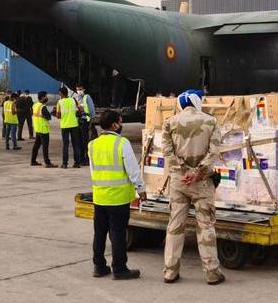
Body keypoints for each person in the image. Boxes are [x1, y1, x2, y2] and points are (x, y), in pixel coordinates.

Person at [161, 89, 224, 285]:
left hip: (179, 182)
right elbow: (214, 151)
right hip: (202, 182)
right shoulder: (211, 121)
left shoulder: (169, 122)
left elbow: (167, 152)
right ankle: (212, 272)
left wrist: (184, 170)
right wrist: (198, 172)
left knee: (175, 226)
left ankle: (170, 271)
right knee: (205, 226)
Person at [89, 109, 146, 280]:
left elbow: (93, 171)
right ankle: (119, 268)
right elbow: (132, 169)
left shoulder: (92, 144)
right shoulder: (122, 143)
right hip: (118, 198)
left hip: (99, 197)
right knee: (118, 234)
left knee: (99, 233)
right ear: (114, 125)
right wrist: (141, 189)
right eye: (120, 122)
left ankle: (99, 267)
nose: (121, 125)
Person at [55, 87, 83, 168]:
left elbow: (58, 115)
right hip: (74, 125)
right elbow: (80, 109)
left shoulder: (59, 102)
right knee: (75, 144)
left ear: (62, 93)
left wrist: (59, 115)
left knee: (65, 145)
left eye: (59, 93)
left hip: (64, 126)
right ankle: (77, 163)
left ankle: (65, 163)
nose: (59, 94)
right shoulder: (73, 100)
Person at [30, 91, 56, 167]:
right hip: (44, 129)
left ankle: (33, 161)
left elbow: (40, 115)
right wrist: (52, 113)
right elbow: (48, 117)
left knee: (36, 146)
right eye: (46, 96)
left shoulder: (35, 105)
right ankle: (47, 162)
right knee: (45, 147)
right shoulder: (42, 107)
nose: (46, 98)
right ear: (42, 98)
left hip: (38, 128)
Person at [74, 83, 97, 157]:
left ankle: (87, 157)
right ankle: (81, 157)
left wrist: (91, 121)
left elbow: (92, 109)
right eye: (78, 89)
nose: (79, 91)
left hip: (85, 121)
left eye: (80, 89)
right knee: (79, 140)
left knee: (85, 140)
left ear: (84, 89)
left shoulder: (87, 97)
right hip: (78, 121)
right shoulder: (75, 98)